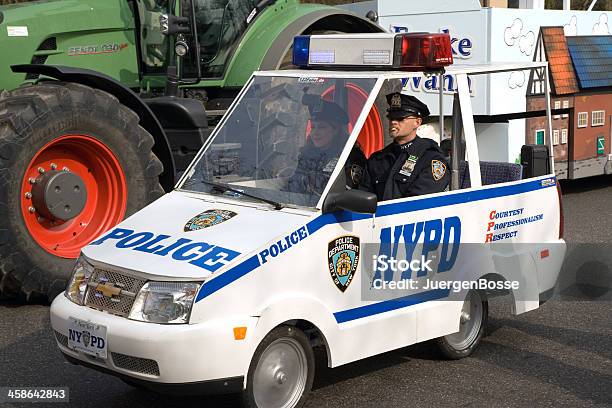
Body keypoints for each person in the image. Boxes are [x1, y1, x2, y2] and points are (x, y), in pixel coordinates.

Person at [360, 93, 449, 201]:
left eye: (400, 118)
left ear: (417, 122)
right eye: (391, 118)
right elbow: (362, 199)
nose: (393, 122)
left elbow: (418, 204)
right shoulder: (377, 160)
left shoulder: (430, 159)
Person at [287, 99, 366, 195]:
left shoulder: (351, 157)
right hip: (302, 208)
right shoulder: (307, 155)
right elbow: (292, 187)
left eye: (322, 127)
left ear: (335, 130)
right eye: (313, 127)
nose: (315, 133)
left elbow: (349, 194)